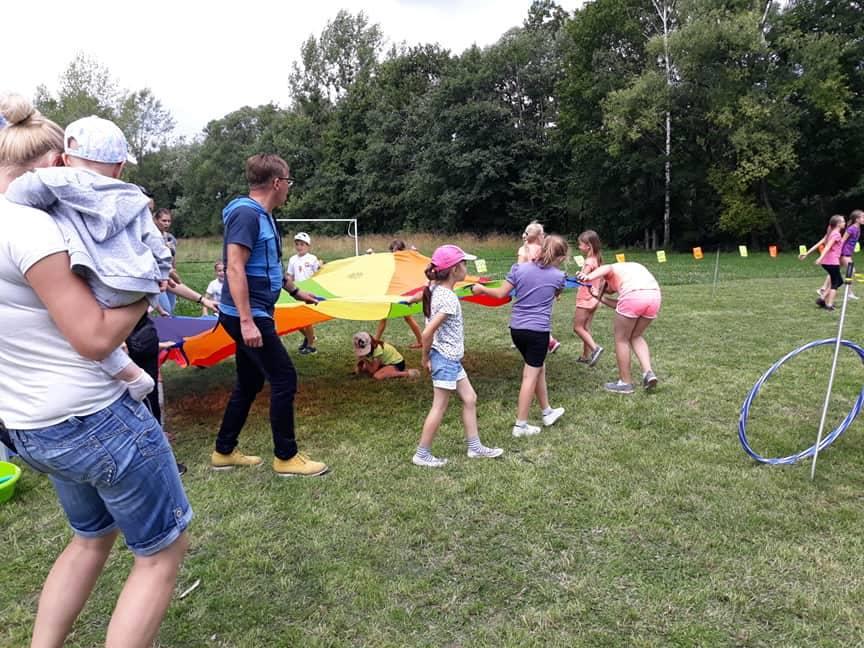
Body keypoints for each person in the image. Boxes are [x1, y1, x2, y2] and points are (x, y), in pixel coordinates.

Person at [0, 94, 189, 648]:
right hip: (91, 418)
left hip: (29, 423)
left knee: (90, 538)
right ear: (57, 164)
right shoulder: (31, 227)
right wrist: (147, 286)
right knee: (162, 553)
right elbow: (96, 337)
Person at [6, 115, 171, 404]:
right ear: (119, 167)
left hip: (100, 280)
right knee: (108, 335)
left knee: (78, 328)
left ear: (64, 160)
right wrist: (159, 278)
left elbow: (18, 192)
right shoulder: (133, 197)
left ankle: (132, 375)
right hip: (138, 282)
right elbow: (156, 243)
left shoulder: (57, 184)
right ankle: (135, 374)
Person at [213, 153, 328, 477]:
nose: (289, 187)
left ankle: (224, 451)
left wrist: (295, 291)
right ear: (277, 183)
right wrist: (247, 321)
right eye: (288, 181)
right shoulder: (246, 215)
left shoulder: (265, 217)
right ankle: (286, 457)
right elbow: (235, 268)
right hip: (246, 314)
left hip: (256, 311)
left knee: (249, 382)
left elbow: (269, 264)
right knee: (284, 377)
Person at [414, 245, 504, 467]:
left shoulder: (434, 288)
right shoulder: (448, 298)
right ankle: (422, 454)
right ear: (454, 270)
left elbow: (423, 295)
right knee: (439, 406)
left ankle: (475, 447)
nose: (466, 268)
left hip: (450, 358)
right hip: (444, 358)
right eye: (464, 264)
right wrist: (425, 358)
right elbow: (426, 333)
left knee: (470, 398)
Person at [472, 235, 568, 436]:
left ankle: (547, 411)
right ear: (560, 257)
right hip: (538, 332)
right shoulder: (559, 276)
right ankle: (520, 425)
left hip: (517, 330)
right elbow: (557, 294)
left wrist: (481, 289)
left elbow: (500, 294)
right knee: (529, 376)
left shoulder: (519, 269)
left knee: (538, 367)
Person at [576, 261, 661, 394]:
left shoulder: (611, 270)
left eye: (608, 289)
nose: (611, 291)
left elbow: (606, 268)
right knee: (636, 336)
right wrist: (600, 298)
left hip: (633, 297)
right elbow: (623, 304)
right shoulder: (631, 268)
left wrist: (588, 276)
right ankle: (648, 373)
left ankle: (625, 383)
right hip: (654, 296)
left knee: (621, 339)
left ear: (605, 280)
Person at [517, 221, 561, 354]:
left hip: (528, 288)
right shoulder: (544, 249)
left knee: (527, 315)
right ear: (540, 236)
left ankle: (549, 341)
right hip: (544, 287)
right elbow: (552, 268)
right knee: (541, 315)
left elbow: (519, 269)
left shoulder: (524, 250)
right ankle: (547, 340)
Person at [374, 239, 423, 348]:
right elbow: (378, 263)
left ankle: (421, 341)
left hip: (401, 293)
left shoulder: (405, 260)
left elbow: (416, 264)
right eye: (394, 251)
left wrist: (415, 254)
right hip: (390, 293)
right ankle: (375, 342)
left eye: (398, 251)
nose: (396, 253)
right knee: (384, 317)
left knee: (407, 317)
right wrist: (371, 255)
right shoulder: (390, 260)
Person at [572, 230, 605, 367]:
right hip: (594, 298)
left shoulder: (589, 261)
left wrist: (577, 275)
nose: (579, 247)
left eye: (580, 244)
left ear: (588, 246)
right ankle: (585, 356)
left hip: (585, 299)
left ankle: (595, 348)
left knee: (577, 327)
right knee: (586, 327)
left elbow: (582, 278)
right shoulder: (598, 260)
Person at [800, 214, 845, 311]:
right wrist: (820, 257)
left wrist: (806, 253)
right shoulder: (836, 234)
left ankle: (822, 299)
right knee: (836, 283)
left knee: (838, 281)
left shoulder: (829, 233)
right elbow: (827, 246)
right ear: (838, 224)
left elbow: (818, 244)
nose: (844, 223)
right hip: (832, 262)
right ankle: (829, 305)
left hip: (826, 262)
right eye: (843, 221)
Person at [286, 231, 321, 354]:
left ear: (308, 246)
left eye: (302, 244)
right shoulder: (292, 259)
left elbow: (318, 273)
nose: (299, 247)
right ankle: (310, 337)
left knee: (307, 320)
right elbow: (289, 276)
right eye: (297, 244)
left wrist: (321, 266)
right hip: (297, 292)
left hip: (309, 293)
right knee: (295, 320)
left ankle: (310, 345)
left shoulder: (312, 259)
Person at [352, 331, 420, 379]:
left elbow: (372, 371)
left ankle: (406, 373)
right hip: (384, 363)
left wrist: (364, 359)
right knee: (365, 368)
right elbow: (360, 367)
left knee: (377, 376)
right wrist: (360, 366)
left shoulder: (377, 349)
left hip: (397, 363)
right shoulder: (373, 347)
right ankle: (387, 370)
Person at [153, 207, 179, 314]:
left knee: (171, 309)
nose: (166, 223)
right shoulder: (151, 237)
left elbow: (173, 257)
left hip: (170, 276)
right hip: (157, 277)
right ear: (156, 220)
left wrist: (174, 271)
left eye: (169, 221)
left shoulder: (171, 238)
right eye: (164, 220)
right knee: (166, 309)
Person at [835, 209, 864, 300]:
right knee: (851, 271)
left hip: (847, 253)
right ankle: (849, 293)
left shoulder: (858, 228)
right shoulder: (851, 229)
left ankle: (823, 289)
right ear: (857, 219)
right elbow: (842, 241)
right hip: (844, 253)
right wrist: (838, 252)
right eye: (863, 217)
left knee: (835, 271)